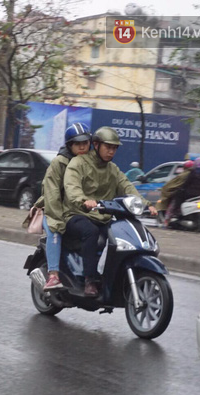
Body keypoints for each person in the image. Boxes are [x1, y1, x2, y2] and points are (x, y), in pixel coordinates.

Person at [62, 126, 157, 296]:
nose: (111, 152)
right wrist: (84, 200)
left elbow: (127, 187)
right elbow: (72, 187)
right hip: (76, 214)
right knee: (90, 232)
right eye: (108, 147)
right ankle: (90, 280)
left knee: (121, 235)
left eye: (114, 148)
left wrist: (145, 204)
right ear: (96, 145)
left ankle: (110, 278)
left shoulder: (113, 169)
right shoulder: (79, 163)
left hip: (102, 217)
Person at [35, 122, 92, 291]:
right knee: (55, 230)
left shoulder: (92, 163)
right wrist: (56, 217)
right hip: (56, 209)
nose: (82, 147)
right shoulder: (59, 163)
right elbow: (51, 194)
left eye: (85, 143)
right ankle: (53, 276)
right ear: (69, 145)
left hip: (80, 211)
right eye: (78, 144)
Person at [156, 160, 194, 225]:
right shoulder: (196, 174)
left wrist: (165, 188)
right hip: (193, 194)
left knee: (172, 204)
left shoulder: (184, 175)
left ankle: (167, 219)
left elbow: (173, 184)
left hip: (182, 193)